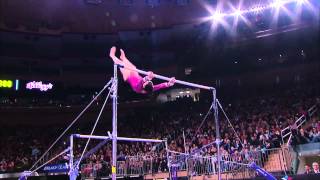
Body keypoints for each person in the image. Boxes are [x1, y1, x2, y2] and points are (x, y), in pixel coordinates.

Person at [109, 47, 175, 94]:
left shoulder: (138, 88)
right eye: (150, 82)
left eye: (147, 82)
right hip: (135, 74)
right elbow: (160, 86)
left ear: (143, 86)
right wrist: (169, 83)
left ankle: (112, 55)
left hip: (127, 76)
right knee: (132, 67)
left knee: (122, 64)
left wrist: (148, 77)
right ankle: (123, 58)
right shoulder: (151, 88)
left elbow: (142, 81)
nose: (149, 81)